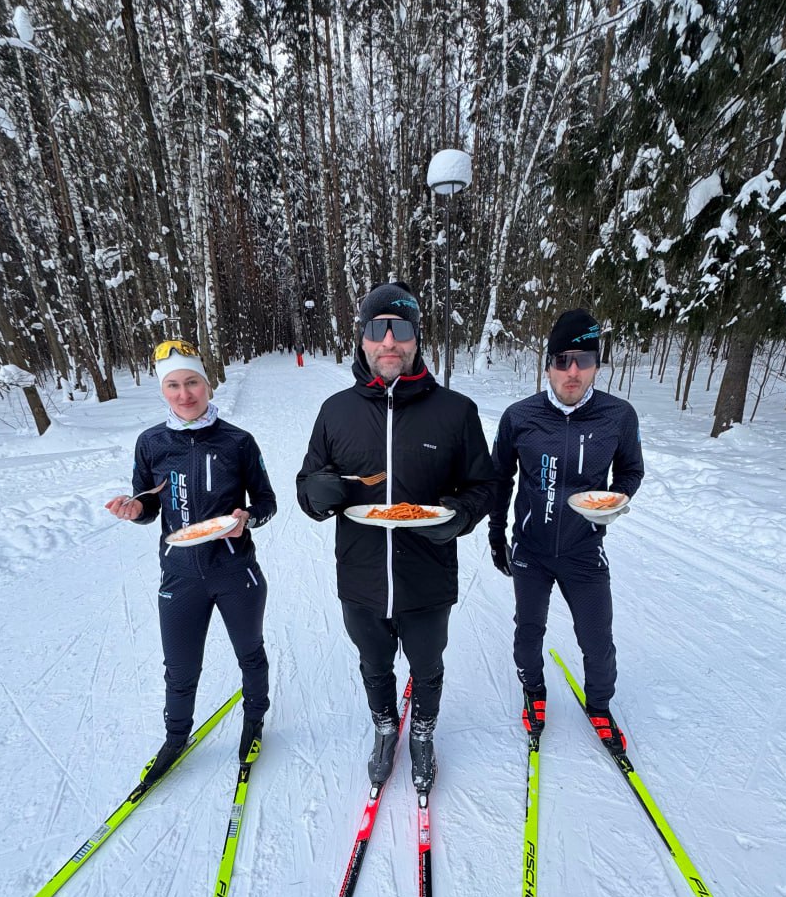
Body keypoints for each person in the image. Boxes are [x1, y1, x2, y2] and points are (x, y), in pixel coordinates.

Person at [297, 282, 495, 793]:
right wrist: (317, 494)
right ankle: (387, 727)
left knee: (428, 665)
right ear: (362, 339)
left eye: (400, 329)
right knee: (374, 664)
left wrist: (458, 515)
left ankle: (423, 732)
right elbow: (307, 487)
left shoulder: (455, 411)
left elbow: (484, 486)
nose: (389, 342)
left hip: (427, 575)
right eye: (377, 329)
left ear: (416, 339)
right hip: (360, 577)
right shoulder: (335, 411)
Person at [105, 339, 276, 782]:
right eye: (174, 385)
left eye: (193, 382)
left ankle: (254, 721)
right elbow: (147, 505)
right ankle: (175, 737)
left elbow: (266, 501)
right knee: (179, 667)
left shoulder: (237, 441)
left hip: (235, 569)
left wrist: (247, 517)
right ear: (164, 391)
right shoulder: (151, 443)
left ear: (208, 384)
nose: (185, 394)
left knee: (250, 653)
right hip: (179, 576)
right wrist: (134, 510)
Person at [488, 309, 643, 754]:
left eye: (583, 359)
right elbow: (501, 479)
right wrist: (496, 533)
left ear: (597, 363)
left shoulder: (618, 417)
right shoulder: (520, 417)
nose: (572, 371)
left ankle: (599, 704)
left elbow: (631, 470)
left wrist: (616, 499)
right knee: (528, 629)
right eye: (562, 360)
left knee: (597, 638)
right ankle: (533, 692)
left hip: (584, 551)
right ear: (547, 364)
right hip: (531, 550)